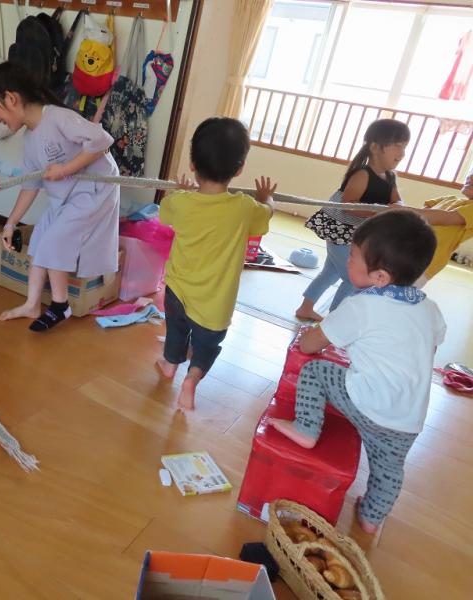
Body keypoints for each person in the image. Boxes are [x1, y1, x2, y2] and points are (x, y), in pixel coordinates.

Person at [270, 210, 446, 535]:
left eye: (352, 256)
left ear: (379, 277)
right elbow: (429, 350)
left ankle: (306, 427)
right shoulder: (430, 309)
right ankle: (371, 517)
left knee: (317, 371)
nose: (347, 260)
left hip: (365, 402)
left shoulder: (361, 305)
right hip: (408, 418)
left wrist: (310, 339)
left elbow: (311, 344)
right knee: (388, 470)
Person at [0, 61, 120, 332]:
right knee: (39, 242)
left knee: (53, 241)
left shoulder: (57, 117)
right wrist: (10, 223)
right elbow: (30, 184)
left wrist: (66, 169)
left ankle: (60, 305)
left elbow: (102, 141)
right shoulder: (30, 139)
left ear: (11, 99)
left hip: (95, 189)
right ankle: (32, 304)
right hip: (66, 196)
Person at [154, 118, 276, 411]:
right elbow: (266, 215)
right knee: (207, 345)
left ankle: (170, 365)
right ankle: (192, 379)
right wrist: (267, 198)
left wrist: (178, 192)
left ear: (192, 163)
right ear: (239, 168)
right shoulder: (245, 208)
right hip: (215, 302)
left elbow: (166, 213)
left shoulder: (181, 202)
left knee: (176, 330)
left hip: (177, 291)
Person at [295, 119, 410, 322]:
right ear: (375, 147)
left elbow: (396, 200)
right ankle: (334, 321)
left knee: (330, 272)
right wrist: (380, 212)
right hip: (341, 234)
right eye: (398, 145)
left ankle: (306, 308)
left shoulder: (390, 177)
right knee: (353, 278)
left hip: (357, 236)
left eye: (405, 146)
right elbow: (348, 205)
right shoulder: (362, 174)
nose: (402, 153)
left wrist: (398, 206)